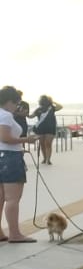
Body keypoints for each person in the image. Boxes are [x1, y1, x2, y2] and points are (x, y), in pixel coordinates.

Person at [0, 86, 40, 243]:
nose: (18, 106)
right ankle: (15, 234)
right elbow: (5, 138)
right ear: (10, 101)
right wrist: (26, 140)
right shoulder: (6, 116)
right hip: (9, 158)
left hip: (2, 156)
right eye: (17, 103)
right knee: (12, 198)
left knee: (2, 197)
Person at [31, 95, 58, 165]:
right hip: (41, 128)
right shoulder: (38, 109)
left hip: (50, 128)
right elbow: (31, 116)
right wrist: (24, 114)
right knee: (42, 144)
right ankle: (45, 158)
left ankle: (48, 160)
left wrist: (53, 102)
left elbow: (60, 107)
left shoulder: (51, 108)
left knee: (48, 144)